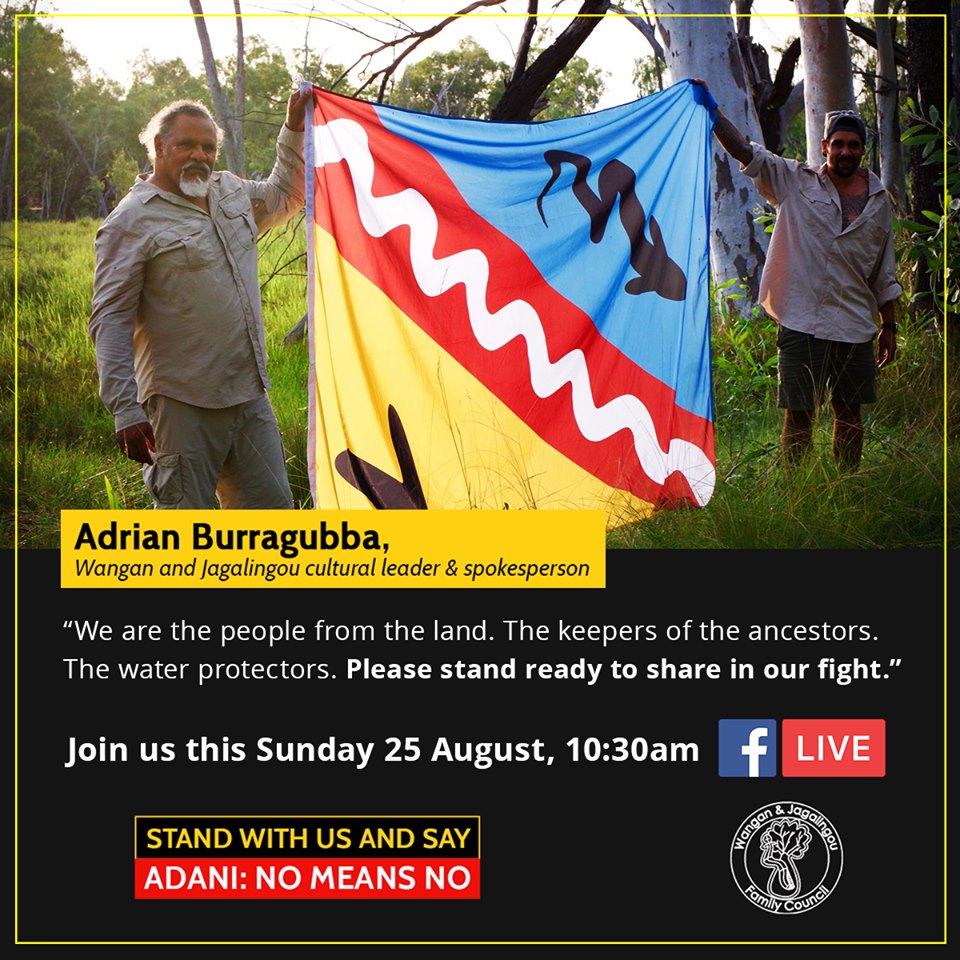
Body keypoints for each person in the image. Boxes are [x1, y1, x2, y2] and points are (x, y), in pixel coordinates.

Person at [89, 89, 312, 508]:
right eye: (187, 144)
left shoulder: (232, 194)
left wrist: (295, 126)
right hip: (180, 406)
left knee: (274, 521)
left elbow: (287, 195)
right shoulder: (130, 221)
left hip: (249, 395)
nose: (200, 155)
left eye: (208, 147)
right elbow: (110, 320)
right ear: (158, 146)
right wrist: (125, 409)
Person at [693, 80, 902, 470]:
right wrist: (712, 108)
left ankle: (846, 486)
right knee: (799, 413)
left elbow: (884, 272)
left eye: (852, 145)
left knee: (850, 413)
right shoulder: (793, 179)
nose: (844, 151)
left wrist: (889, 327)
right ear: (824, 147)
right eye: (837, 144)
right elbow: (745, 151)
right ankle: (796, 495)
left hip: (855, 324)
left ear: (862, 150)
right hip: (800, 319)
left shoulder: (879, 202)